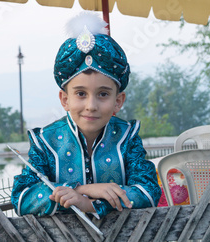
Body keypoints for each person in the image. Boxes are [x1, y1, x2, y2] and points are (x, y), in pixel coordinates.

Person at [11, 12, 161, 219]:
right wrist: (81, 190)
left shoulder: (127, 137)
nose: (91, 106)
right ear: (65, 100)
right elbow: (22, 198)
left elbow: (149, 191)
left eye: (103, 94)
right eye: (81, 94)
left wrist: (91, 204)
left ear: (119, 101)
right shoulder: (45, 142)